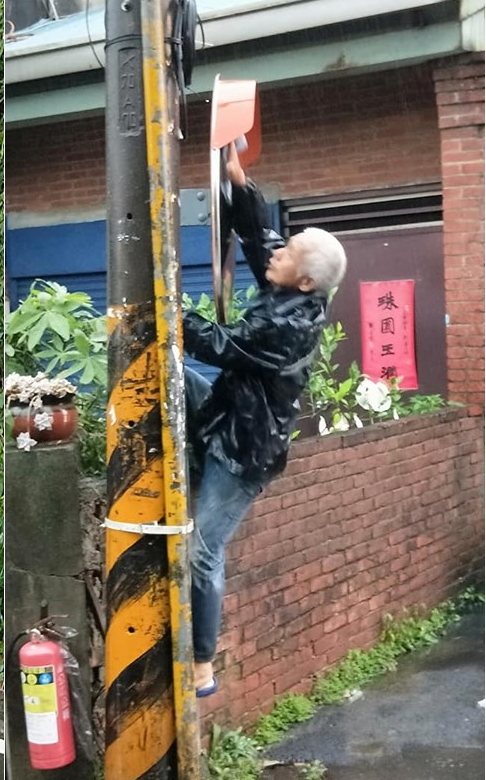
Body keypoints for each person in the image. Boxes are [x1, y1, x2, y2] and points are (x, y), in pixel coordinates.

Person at [183, 145, 347, 696]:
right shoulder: (288, 284)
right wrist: (240, 184)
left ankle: (202, 663)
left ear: (305, 282)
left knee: (202, 552)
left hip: (243, 450)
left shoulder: (291, 327)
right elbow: (262, 241)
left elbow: (215, 342)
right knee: (168, 376)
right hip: (227, 412)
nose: (279, 251)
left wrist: (159, 303)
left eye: (291, 251)